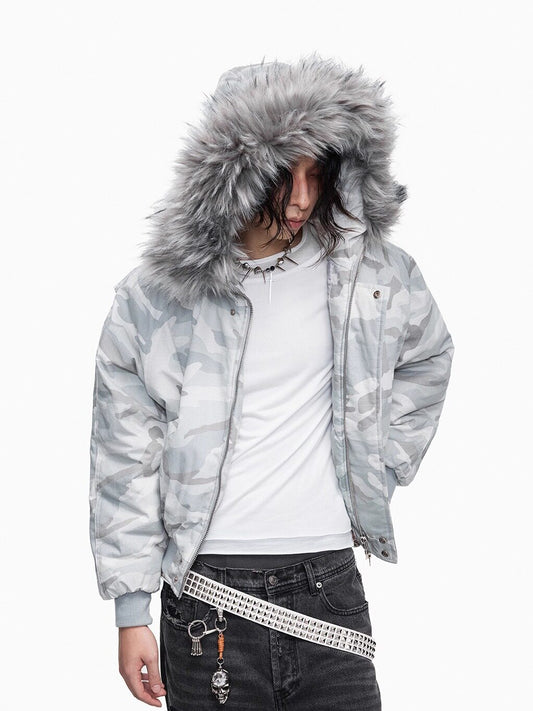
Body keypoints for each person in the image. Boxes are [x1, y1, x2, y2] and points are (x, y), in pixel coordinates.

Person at [89, 54, 454, 710]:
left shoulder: (371, 276)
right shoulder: (158, 296)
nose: (302, 199)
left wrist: (374, 464)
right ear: (232, 173)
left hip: (329, 584)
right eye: (284, 174)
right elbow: (124, 450)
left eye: (318, 173)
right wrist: (130, 609)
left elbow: (428, 358)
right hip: (206, 599)